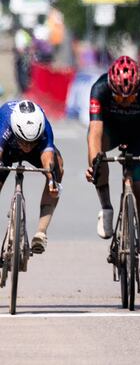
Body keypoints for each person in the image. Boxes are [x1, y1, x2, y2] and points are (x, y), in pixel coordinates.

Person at [84, 56, 140, 293]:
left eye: (130, 97)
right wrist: (94, 164)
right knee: (97, 155)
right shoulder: (100, 88)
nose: (125, 101)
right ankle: (106, 207)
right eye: (119, 97)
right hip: (112, 130)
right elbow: (95, 133)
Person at [0, 101, 63, 253]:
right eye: (24, 142)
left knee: (58, 167)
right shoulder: (6, 123)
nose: (27, 147)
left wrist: (51, 181)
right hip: (8, 149)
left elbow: (48, 160)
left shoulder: (45, 128)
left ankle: (41, 232)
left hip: (37, 150)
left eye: (31, 142)